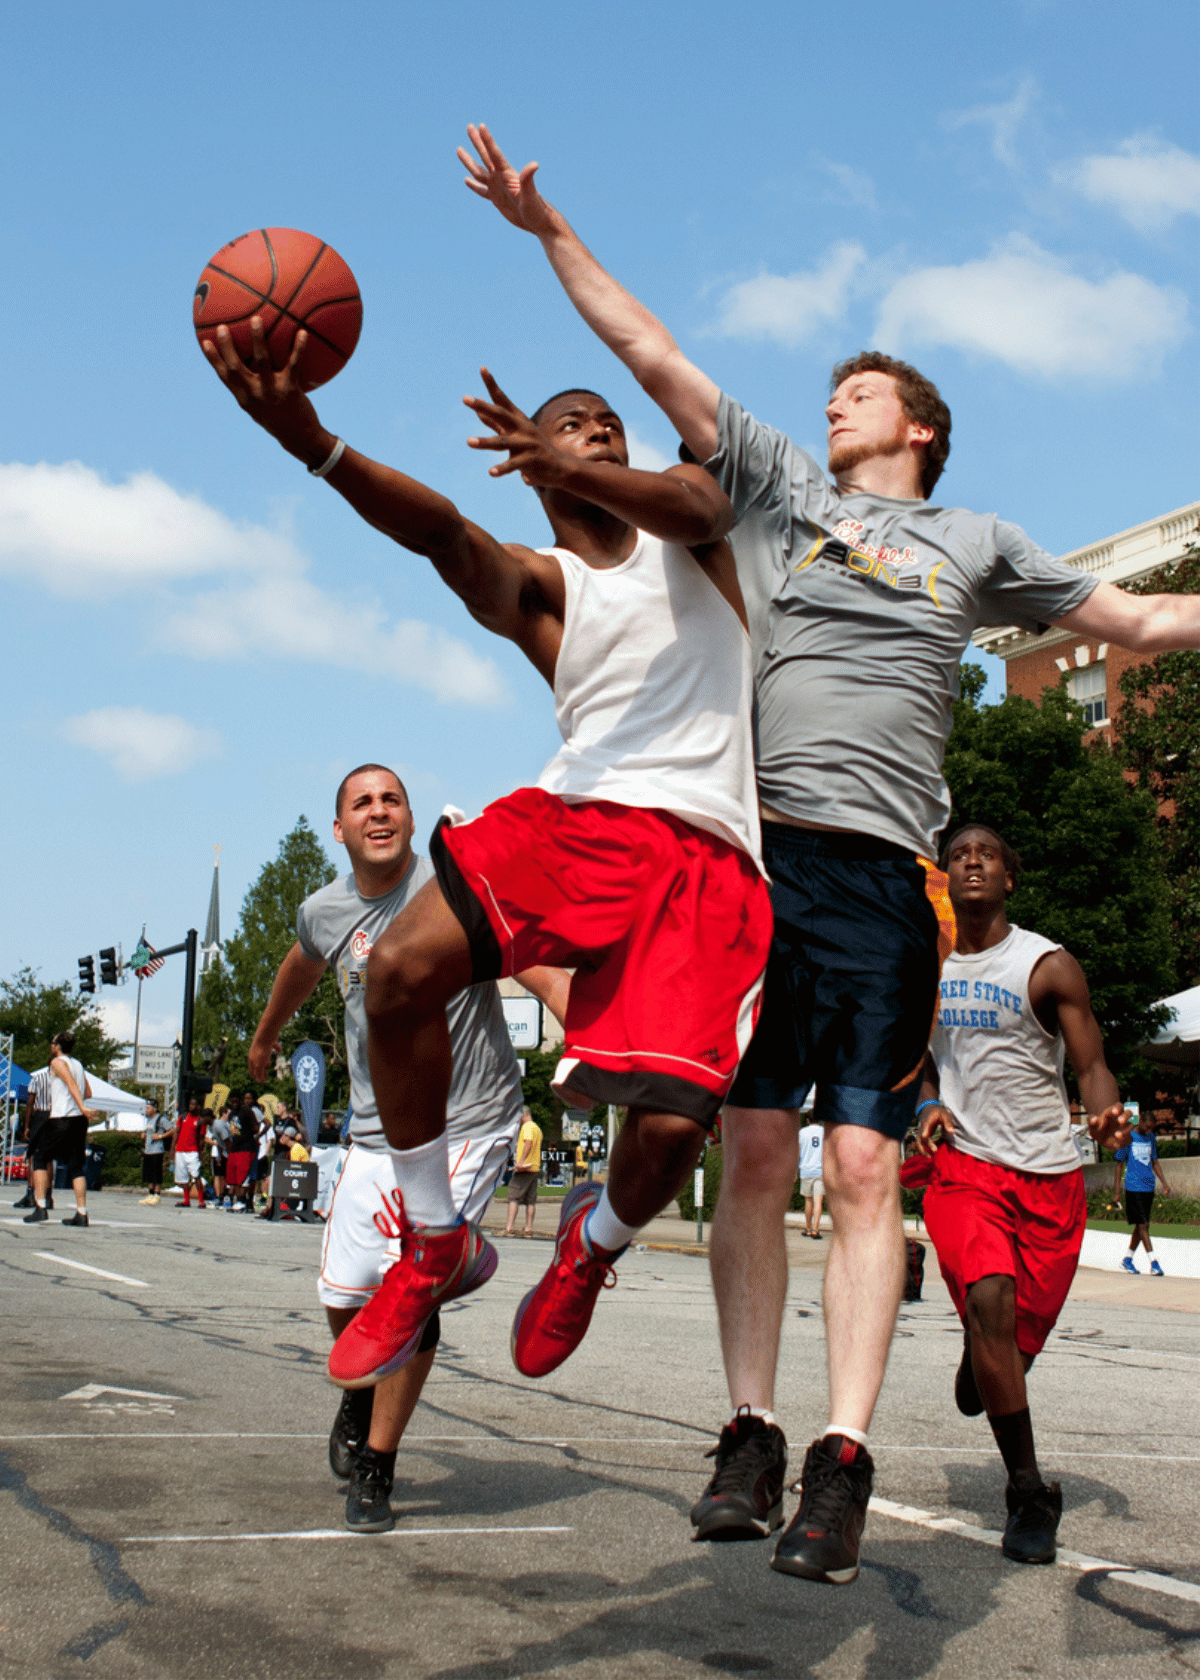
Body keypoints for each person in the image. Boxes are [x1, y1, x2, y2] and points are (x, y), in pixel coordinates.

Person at [460, 122, 1200, 1583]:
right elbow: (655, 350)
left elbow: (1149, 625)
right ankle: (749, 1427)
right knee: (747, 1144)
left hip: (881, 879)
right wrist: (545, 229)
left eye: (858, 390)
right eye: (834, 392)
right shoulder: (789, 492)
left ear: (916, 427)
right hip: (759, 858)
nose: (834, 397)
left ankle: (842, 1457)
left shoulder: (980, 542)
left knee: (865, 1168)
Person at [202, 300, 771, 1399]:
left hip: (709, 857)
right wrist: (311, 444)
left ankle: (592, 1243)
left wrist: (581, 458)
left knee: (664, 1132)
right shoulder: (549, 590)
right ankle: (433, 1239)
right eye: (574, 424)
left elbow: (697, 492)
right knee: (399, 966)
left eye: (611, 420)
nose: (601, 427)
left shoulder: (700, 542)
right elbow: (441, 536)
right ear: (531, 462)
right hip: (584, 820)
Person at [247, 764, 566, 1533]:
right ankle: (362, 1396)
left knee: (410, 1280)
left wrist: (581, 1022)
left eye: (391, 799)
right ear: (341, 829)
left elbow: (525, 956)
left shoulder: (454, 885)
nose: (379, 812)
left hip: (472, 1121)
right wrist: (265, 1034)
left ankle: (377, 1465)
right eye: (363, 803)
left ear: (410, 815)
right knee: (344, 1294)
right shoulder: (325, 911)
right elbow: (302, 962)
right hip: (375, 1130)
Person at [911, 824, 1131, 1564]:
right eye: (959, 855)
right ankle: (1030, 1492)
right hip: (966, 1170)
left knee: (998, 1355)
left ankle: (987, 1360)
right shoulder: (926, 971)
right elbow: (921, 1065)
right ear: (946, 878)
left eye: (988, 854)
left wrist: (1102, 1111)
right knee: (991, 1300)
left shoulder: (1046, 965)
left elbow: (1092, 1063)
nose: (971, 860)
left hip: (1049, 1181)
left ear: (1010, 877)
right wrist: (923, 1106)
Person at [23, 1032, 96, 1227]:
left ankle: (40, 1207)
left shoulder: (57, 1063)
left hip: (62, 1118)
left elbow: (70, 1084)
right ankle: (81, 1213)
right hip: (78, 1121)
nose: (51, 1045)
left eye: (52, 1042)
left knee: (39, 1158)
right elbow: (87, 1091)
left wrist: (80, 1106)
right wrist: (81, 1108)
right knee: (75, 1165)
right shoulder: (78, 1065)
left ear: (57, 1046)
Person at [1113, 1112, 1174, 1275]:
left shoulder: (1151, 1138)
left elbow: (1154, 1161)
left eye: (1151, 1128)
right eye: (1147, 1127)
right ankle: (1154, 1263)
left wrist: (1164, 1182)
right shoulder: (1128, 1138)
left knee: (1142, 1226)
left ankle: (1127, 1260)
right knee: (1144, 1225)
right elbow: (1119, 1166)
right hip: (1133, 1186)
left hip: (1148, 1186)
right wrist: (1117, 1192)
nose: (1148, 1130)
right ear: (1140, 1121)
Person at [15, 1067, 54, 1211]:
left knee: (33, 1157)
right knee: (48, 1158)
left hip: (41, 1116)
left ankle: (31, 1193)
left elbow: (30, 1101)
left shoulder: (38, 1078)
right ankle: (48, 1196)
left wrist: (27, 1125)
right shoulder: (62, 1080)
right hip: (55, 1116)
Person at [504, 1108, 543, 1237]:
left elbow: (528, 1143)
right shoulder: (537, 1128)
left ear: (523, 1115)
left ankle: (509, 1227)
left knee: (513, 1196)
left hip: (524, 1169)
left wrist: (520, 1161)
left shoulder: (527, 1127)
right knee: (531, 1200)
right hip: (534, 1167)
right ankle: (528, 1229)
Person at [225, 1093, 261, 1213]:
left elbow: (256, 1127)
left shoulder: (246, 1110)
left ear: (240, 1101)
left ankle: (241, 1201)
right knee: (234, 1178)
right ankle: (237, 1201)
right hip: (236, 1147)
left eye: (237, 1101)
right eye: (232, 1101)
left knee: (243, 1176)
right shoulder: (231, 1114)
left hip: (247, 1146)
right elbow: (235, 1132)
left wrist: (256, 1136)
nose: (234, 1103)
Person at [174, 1097, 208, 1209]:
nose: (192, 1107)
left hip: (192, 1151)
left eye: (194, 1104)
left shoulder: (200, 1120)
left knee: (196, 1175)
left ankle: (201, 1201)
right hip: (180, 1150)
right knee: (183, 1178)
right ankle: (186, 1200)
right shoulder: (182, 1117)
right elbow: (177, 1133)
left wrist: (200, 1152)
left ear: (198, 1106)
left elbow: (202, 1138)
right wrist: (172, 1148)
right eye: (190, 1104)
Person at [139, 1099, 173, 1206]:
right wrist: (144, 1135)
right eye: (146, 1108)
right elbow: (149, 1132)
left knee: (156, 1173)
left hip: (157, 1150)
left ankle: (157, 1194)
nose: (146, 1110)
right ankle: (150, 1193)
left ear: (155, 1109)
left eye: (148, 1108)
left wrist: (161, 1136)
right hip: (148, 1149)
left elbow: (172, 1130)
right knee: (148, 1174)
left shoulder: (161, 1119)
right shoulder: (148, 1120)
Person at [798, 1115, 824, 1240]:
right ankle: (815, 1229)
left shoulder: (802, 1132)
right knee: (818, 1201)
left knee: (808, 1201)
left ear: (808, 1120)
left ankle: (808, 1229)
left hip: (806, 1170)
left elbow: (798, 1151)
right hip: (820, 1170)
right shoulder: (824, 1132)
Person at [209, 1100, 233, 1207]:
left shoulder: (227, 1124)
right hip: (221, 1153)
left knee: (228, 1176)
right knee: (220, 1175)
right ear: (224, 1113)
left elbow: (228, 1140)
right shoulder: (216, 1124)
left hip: (228, 1153)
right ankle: (220, 1196)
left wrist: (229, 1155)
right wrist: (219, 1153)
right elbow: (218, 1141)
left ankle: (228, 1197)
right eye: (229, 1113)